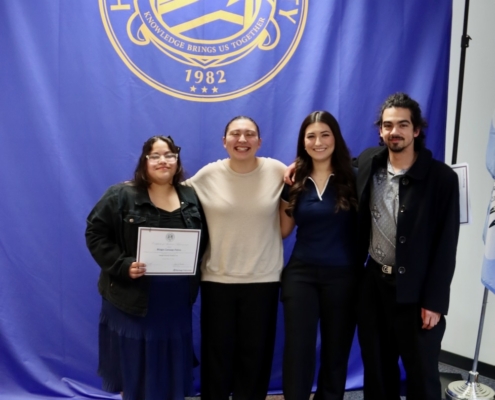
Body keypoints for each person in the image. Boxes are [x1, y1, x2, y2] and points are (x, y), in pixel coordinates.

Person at [85, 135, 207, 400]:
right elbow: (95, 233)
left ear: (177, 160)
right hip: (131, 303)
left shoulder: (191, 196)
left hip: (175, 305)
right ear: (144, 161)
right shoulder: (121, 195)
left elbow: (202, 240)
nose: (163, 161)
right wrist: (122, 265)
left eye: (170, 155)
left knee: (169, 372)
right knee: (135, 372)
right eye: (156, 155)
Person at [355, 93, 460, 400]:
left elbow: (446, 244)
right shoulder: (367, 162)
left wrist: (435, 301)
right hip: (374, 288)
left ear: (416, 130)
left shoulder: (442, 178)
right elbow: (330, 164)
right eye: (388, 125)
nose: (394, 132)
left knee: (423, 376)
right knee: (377, 372)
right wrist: (298, 165)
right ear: (380, 130)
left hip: (417, 294)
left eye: (403, 124)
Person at [184, 116, 286, 400]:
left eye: (249, 134)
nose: (242, 140)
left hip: (263, 279)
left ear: (259, 141)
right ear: (224, 141)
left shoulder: (277, 170)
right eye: (235, 134)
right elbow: (174, 198)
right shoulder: (208, 175)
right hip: (217, 278)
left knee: (255, 355)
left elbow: (287, 222)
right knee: (217, 354)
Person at [279, 111, 359, 400]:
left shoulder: (355, 176)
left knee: (336, 352)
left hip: (344, 277)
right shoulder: (294, 179)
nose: (318, 141)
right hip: (301, 276)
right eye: (311, 135)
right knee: (298, 351)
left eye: (325, 134)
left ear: (335, 137)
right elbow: (283, 230)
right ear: (303, 141)